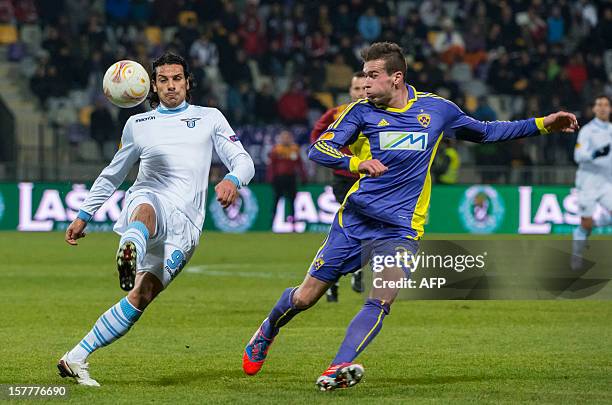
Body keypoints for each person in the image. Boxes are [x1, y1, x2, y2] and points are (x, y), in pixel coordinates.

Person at [242, 42, 578, 391]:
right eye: (364, 76)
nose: (366, 83)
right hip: (354, 221)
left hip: (402, 228)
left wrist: (542, 124)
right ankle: (268, 329)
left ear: (396, 77)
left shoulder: (437, 110)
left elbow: (487, 132)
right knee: (306, 297)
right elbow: (320, 148)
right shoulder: (360, 113)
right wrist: (356, 163)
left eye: (373, 76)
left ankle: (337, 366)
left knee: (381, 298)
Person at [57, 52, 255, 386]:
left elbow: (244, 161)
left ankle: (75, 357)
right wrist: (84, 214)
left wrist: (232, 180)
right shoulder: (139, 125)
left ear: (188, 82)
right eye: (162, 80)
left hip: (187, 225)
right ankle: (129, 248)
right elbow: (113, 174)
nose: (170, 86)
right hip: (150, 197)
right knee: (146, 206)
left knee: (140, 297)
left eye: (176, 78)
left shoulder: (210, 118)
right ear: (153, 85)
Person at [310, 71, 367, 301]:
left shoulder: (384, 114)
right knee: (355, 227)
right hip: (346, 178)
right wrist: (340, 157)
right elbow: (317, 138)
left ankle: (333, 275)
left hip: (371, 180)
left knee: (356, 229)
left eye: (365, 88)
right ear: (350, 91)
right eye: (356, 89)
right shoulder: (337, 113)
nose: (361, 93)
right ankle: (340, 273)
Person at [572, 95, 612, 270]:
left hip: (606, 182)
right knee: (586, 224)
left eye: (605, 105)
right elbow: (577, 156)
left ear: (610, 109)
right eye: (599, 105)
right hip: (587, 182)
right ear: (594, 109)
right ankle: (577, 255)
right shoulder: (587, 131)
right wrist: (595, 154)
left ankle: (599, 221)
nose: (602, 108)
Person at [267, 130, 307, 231]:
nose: (286, 139)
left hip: (291, 178)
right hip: (279, 179)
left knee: (292, 202)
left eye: (287, 137)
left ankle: (293, 226)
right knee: (276, 201)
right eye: (284, 137)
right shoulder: (276, 150)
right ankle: (272, 225)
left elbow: (300, 164)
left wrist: (303, 177)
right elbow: (272, 165)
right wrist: (271, 178)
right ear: (280, 138)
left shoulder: (294, 149)